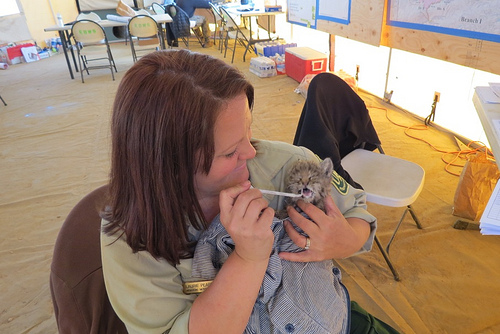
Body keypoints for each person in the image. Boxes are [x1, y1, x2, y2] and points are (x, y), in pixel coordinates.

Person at [101, 49, 400, 334]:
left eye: (248, 130)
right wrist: (249, 258)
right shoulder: (132, 235)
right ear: (169, 164)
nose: (250, 152)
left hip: (330, 316)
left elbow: (356, 210)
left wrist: (344, 241)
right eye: (230, 152)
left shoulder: (290, 164)